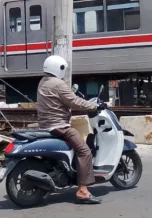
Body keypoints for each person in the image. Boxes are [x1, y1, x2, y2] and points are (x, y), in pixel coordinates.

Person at [36, 55, 106, 205]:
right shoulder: (58, 84)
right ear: (59, 68)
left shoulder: (43, 81)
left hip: (46, 125)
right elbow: (74, 102)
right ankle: (83, 190)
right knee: (84, 151)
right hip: (59, 126)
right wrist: (94, 106)